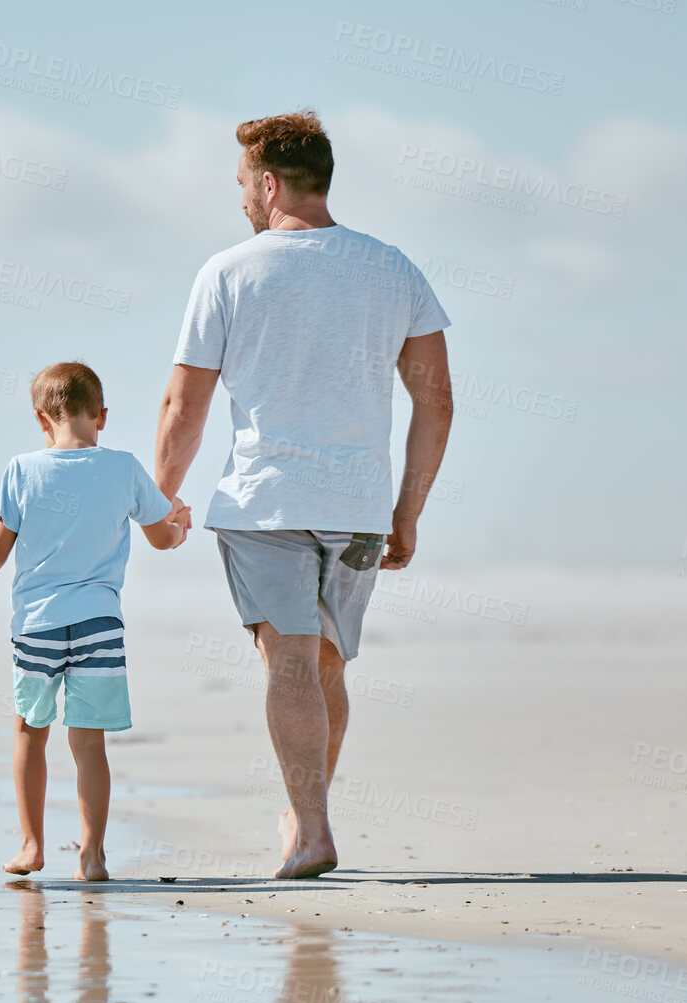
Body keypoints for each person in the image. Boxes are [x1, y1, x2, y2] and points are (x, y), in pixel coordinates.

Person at [153, 110, 455, 880]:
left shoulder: (228, 271)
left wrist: (161, 498)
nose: (241, 201)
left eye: (242, 185)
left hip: (265, 505)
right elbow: (437, 402)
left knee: (285, 665)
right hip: (356, 504)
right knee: (324, 669)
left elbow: (182, 405)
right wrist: (406, 510)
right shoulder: (392, 268)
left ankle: (313, 828)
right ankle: (305, 815)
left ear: (268, 181)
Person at [0, 363, 187, 881]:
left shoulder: (21, 470)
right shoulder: (124, 467)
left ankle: (32, 845)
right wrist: (180, 526)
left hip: (36, 622)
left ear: (42, 419)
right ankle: (93, 855)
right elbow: (161, 537)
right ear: (101, 416)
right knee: (89, 741)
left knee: (29, 731)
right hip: (99, 622)